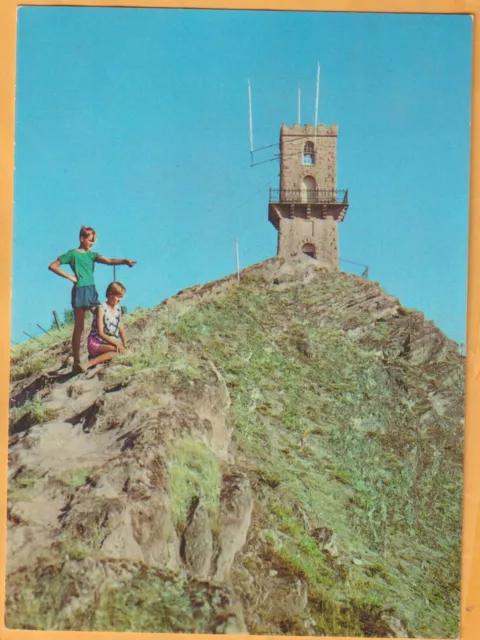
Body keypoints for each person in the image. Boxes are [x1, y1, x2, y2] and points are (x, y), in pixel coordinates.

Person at [48, 226, 136, 373]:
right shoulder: (72, 254)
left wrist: (124, 261)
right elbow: (53, 266)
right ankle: (76, 361)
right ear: (82, 238)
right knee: (79, 327)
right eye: (90, 240)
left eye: (94, 241)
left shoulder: (92, 255)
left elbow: (108, 261)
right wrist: (70, 277)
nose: (92, 243)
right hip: (79, 292)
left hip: (91, 291)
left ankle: (101, 347)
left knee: (104, 315)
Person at [86, 281, 127, 369]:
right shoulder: (101, 308)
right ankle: (88, 364)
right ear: (110, 294)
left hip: (110, 342)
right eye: (118, 296)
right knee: (116, 350)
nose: (119, 300)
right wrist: (117, 344)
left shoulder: (118, 309)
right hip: (96, 342)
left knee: (122, 351)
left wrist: (125, 344)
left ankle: (98, 358)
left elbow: (121, 328)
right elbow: (100, 333)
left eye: (121, 297)